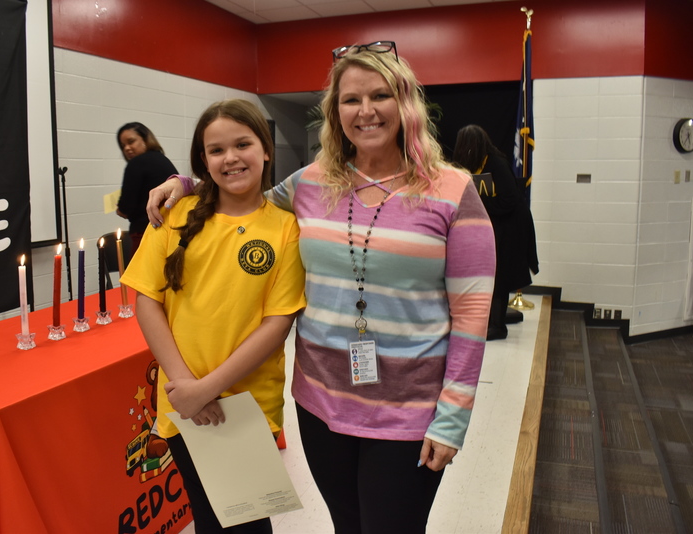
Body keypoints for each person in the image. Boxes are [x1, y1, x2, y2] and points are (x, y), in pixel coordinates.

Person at [146, 42, 495, 534]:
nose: (366, 111)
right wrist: (184, 183)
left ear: (406, 104)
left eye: (381, 95)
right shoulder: (310, 183)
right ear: (335, 113)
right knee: (347, 525)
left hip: (408, 412)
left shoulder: (453, 190)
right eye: (351, 100)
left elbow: (473, 314)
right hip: (322, 405)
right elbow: (243, 199)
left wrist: (452, 417)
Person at [120, 99, 306, 534]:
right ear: (202, 160)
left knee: (245, 523)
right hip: (183, 402)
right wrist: (187, 386)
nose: (231, 158)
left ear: (266, 150)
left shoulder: (285, 227)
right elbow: (147, 301)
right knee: (208, 519)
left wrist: (207, 389)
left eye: (243, 144)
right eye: (217, 150)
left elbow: (277, 325)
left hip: (243, 406)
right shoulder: (175, 214)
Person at [453, 124, 538, 340]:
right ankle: (489, 319)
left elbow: (509, 200)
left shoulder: (496, 163)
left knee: (500, 275)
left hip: (513, 225)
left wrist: (479, 201)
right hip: (497, 225)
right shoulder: (473, 165)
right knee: (490, 274)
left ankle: (498, 327)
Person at [116, 122, 179, 255]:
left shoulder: (136, 164)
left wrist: (120, 209)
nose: (127, 148)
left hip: (146, 232)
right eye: (123, 146)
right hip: (173, 231)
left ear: (145, 139)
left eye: (131, 141)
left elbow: (126, 208)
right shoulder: (162, 159)